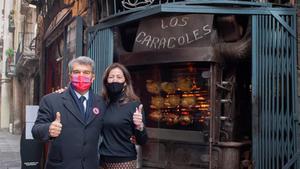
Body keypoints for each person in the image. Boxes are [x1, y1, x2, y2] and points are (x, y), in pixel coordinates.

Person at [31, 56, 106, 169]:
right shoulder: (51, 100)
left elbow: (109, 129)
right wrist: (48, 129)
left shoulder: (101, 102)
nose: (81, 76)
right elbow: (36, 130)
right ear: (70, 76)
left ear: (93, 77)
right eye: (76, 72)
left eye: (86, 72)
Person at [99, 63, 148, 169]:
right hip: (102, 159)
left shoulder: (134, 105)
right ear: (106, 81)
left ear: (125, 82)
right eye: (111, 77)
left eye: (119, 77)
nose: (114, 80)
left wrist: (139, 126)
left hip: (124, 160)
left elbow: (142, 141)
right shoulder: (102, 103)